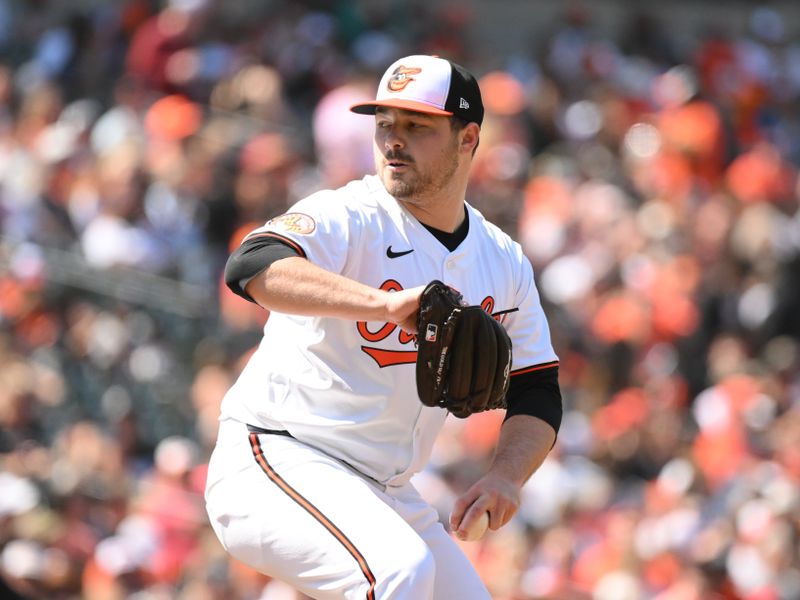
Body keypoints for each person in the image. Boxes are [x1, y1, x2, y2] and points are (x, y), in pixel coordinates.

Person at [204, 54, 562, 599]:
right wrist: (380, 304)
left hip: (384, 488)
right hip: (278, 456)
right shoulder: (350, 215)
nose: (394, 140)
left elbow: (537, 388)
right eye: (384, 125)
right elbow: (251, 265)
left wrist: (506, 475)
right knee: (398, 573)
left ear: (468, 139)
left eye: (416, 127)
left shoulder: (502, 259)